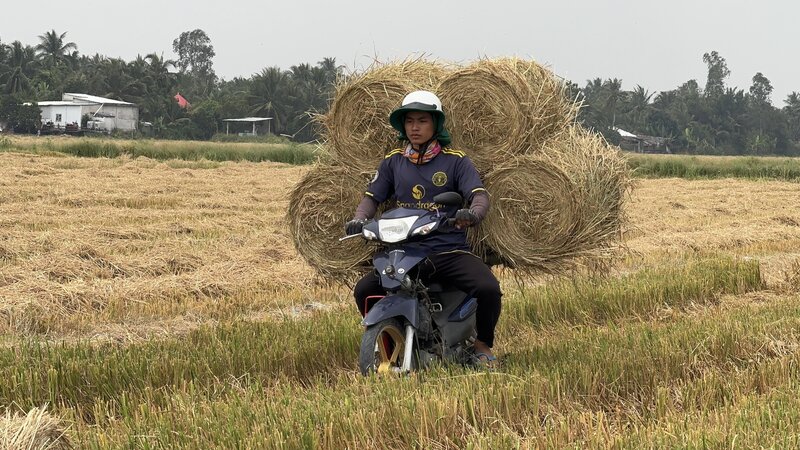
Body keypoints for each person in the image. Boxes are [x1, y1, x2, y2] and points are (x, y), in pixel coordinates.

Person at [345, 90, 503, 365]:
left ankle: (482, 346)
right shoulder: (394, 161)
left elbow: (479, 195)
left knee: (487, 287)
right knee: (364, 290)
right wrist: (359, 218)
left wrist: (473, 214)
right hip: (405, 250)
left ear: (436, 125)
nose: (414, 128)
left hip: (446, 248)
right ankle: (389, 343)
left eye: (422, 121)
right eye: (409, 122)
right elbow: (372, 198)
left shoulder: (456, 161)